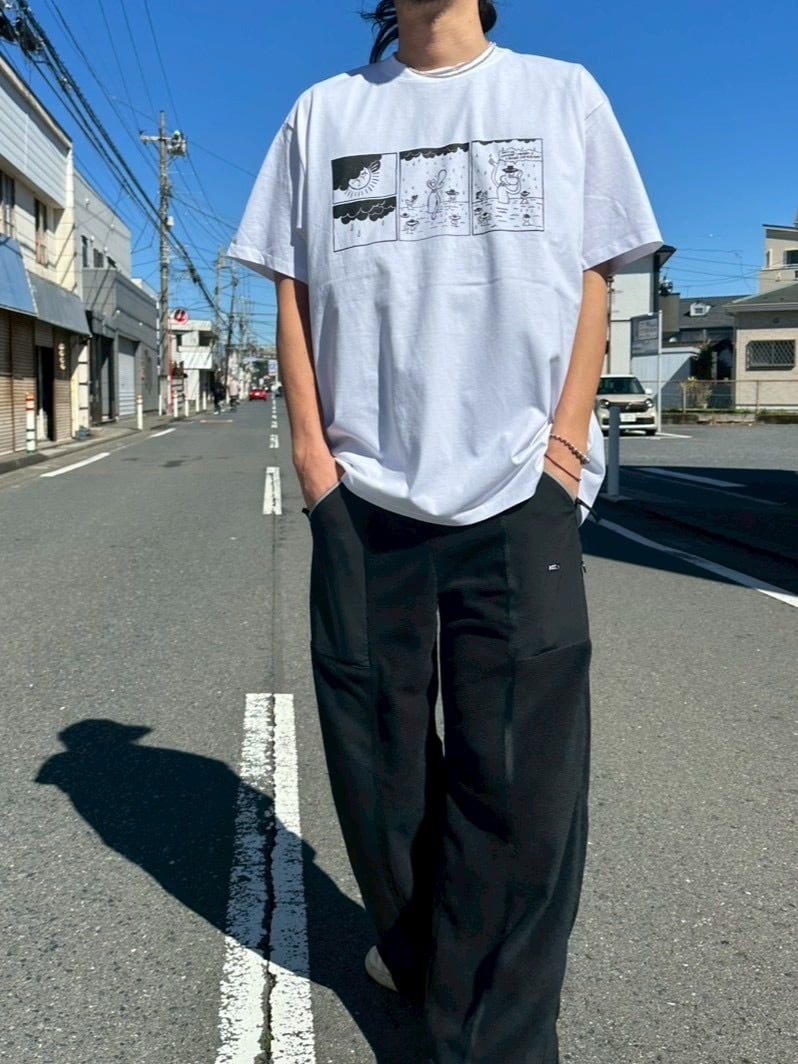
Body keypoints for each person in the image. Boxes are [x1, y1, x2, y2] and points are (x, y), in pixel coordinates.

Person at [229, 2, 661, 1060]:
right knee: (378, 768)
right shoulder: (324, 113)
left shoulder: (562, 96)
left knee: (523, 782)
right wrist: (314, 462)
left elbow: (598, 274)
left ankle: (497, 1036)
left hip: (520, 486)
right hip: (363, 492)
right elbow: (292, 287)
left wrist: (565, 449)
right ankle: (427, 953)